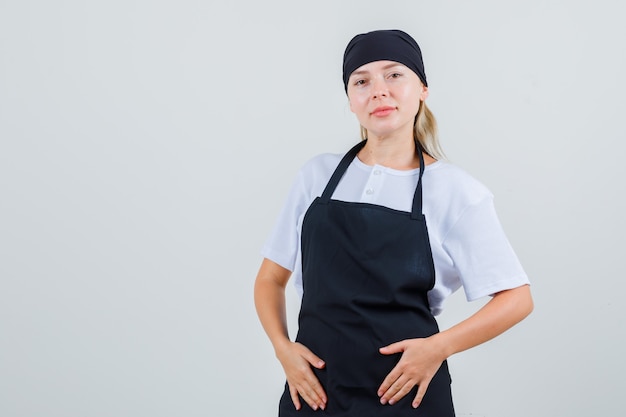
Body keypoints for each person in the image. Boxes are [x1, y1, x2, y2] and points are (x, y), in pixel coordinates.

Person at [254, 29, 533, 416]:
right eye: (362, 81)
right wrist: (283, 350)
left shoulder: (454, 190)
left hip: (405, 395)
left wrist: (438, 348)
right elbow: (270, 278)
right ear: (351, 101)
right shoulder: (317, 177)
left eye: (394, 74)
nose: (378, 91)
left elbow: (517, 298)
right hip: (315, 392)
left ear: (423, 88)